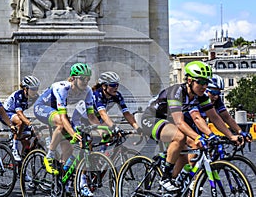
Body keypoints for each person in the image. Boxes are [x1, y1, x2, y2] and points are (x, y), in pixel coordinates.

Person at [140, 61, 243, 191]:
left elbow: (215, 117)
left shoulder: (200, 96)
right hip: (152, 119)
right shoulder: (176, 91)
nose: (204, 86)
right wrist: (199, 137)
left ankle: (172, 183)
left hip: (169, 122)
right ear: (189, 80)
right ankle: (165, 178)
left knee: (186, 153)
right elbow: (179, 123)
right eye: (200, 82)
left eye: (206, 82)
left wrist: (231, 135)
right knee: (180, 136)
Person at [33, 62, 100, 196]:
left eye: (88, 79)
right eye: (82, 78)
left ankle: (62, 179)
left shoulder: (87, 91)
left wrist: (104, 129)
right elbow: (63, 117)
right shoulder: (62, 88)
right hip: (42, 108)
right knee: (63, 124)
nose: (85, 81)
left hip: (57, 113)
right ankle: (50, 155)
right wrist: (73, 132)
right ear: (73, 78)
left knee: (69, 149)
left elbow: (91, 116)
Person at [184, 74, 252, 144]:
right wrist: (211, 135)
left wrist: (240, 132)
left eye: (218, 93)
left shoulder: (216, 100)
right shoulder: (196, 98)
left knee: (210, 148)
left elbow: (226, 117)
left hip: (199, 128)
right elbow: (197, 119)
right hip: (185, 127)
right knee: (197, 146)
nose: (216, 97)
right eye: (213, 93)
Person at [90, 71, 142, 147]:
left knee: (112, 136)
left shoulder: (117, 95)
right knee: (104, 133)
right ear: (104, 86)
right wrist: (115, 127)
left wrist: (137, 128)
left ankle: (102, 156)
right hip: (86, 119)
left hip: (98, 119)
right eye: (113, 85)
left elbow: (126, 114)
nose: (116, 87)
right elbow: (103, 114)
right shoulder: (97, 95)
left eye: (117, 84)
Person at [1, 75, 40, 161]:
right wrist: (29, 123)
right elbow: (20, 114)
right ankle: (14, 146)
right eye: (33, 89)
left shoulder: (36, 96)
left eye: (37, 88)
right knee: (21, 122)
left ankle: (21, 165)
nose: (35, 91)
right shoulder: (19, 95)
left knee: (26, 142)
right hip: (6, 114)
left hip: (16, 115)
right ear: (25, 88)